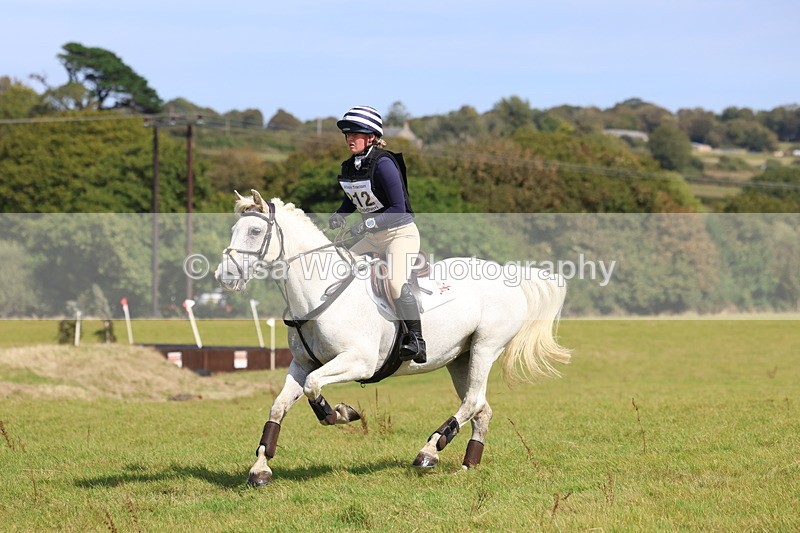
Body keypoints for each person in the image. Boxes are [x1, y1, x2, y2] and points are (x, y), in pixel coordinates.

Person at [328, 105, 426, 364]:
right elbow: (352, 200)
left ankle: (417, 340)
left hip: (400, 234)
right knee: (339, 270)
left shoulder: (384, 164)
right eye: (347, 134)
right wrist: (339, 215)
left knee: (394, 282)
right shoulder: (350, 166)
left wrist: (366, 225)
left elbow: (398, 208)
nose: (349, 139)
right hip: (373, 237)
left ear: (371, 137)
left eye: (355, 134)